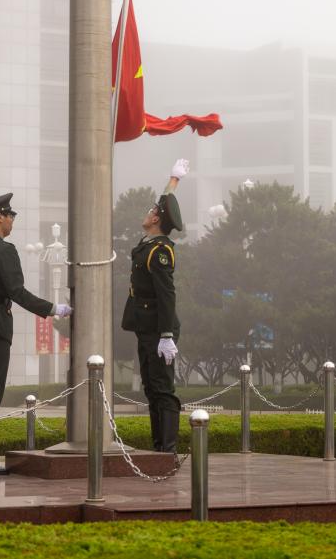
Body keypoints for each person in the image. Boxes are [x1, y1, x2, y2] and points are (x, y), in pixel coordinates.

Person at [0, 192, 72, 475]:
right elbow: (17, 292)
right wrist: (53, 309)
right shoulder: (4, 251)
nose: (12, 220)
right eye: (10, 215)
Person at [121, 159, 189, 454]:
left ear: (157, 220)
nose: (147, 212)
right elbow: (164, 202)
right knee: (151, 388)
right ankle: (158, 447)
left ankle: (168, 450)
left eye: (152, 211)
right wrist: (174, 180)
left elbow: (167, 294)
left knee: (163, 389)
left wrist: (166, 335)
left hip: (159, 330)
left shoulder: (160, 252)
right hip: (146, 327)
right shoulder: (150, 244)